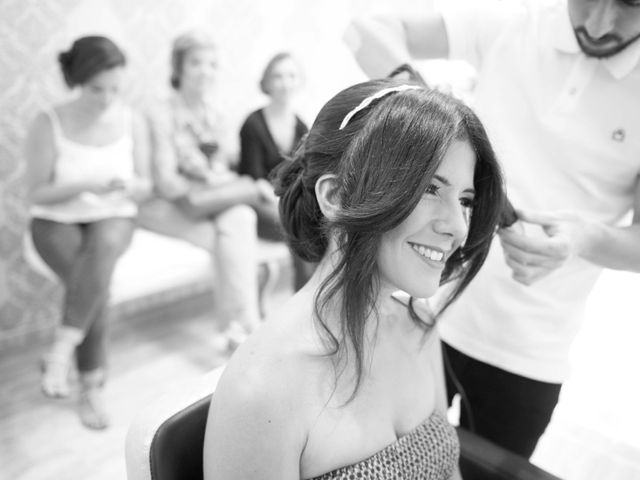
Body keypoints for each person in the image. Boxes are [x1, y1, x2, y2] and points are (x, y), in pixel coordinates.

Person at [346, 0, 640, 458]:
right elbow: (366, 29)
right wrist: (424, 102)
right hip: (425, 316)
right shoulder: (513, 27)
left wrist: (584, 237)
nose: (601, 26)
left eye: (631, 6)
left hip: (529, 356)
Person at [202, 78, 507, 480]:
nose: (457, 227)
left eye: (464, 200)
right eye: (430, 188)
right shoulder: (263, 389)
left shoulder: (418, 326)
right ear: (335, 197)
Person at [24, 35, 151, 430]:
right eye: (97, 89)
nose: (106, 98)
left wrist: (131, 187)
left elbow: (146, 183)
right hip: (54, 219)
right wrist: (88, 185)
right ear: (76, 80)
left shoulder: (133, 119)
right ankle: (89, 384)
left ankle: (65, 357)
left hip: (113, 216)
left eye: (115, 88)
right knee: (95, 282)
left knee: (104, 250)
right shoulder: (48, 121)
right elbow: (35, 192)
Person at [139, 31, 273, 350]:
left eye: (212, 64)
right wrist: (203, 174)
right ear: (178, 68)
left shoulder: (216, 111)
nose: (205, 71)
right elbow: (166, 182)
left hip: (205, 201)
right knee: (228, 236)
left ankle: (241, 329)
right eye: (196, 63)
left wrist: (211, 174)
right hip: (164, 203)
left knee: (240, 215)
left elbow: (224, 166)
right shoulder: (160, 112)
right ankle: (243, 330)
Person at [238, 52, 315, 290]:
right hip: (258, 204)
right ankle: (303, 301)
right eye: (278, 76)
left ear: (299, 81)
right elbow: (253, 178)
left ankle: (312, 297)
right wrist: (284, 205)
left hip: (288, 205)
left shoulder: (302, 126)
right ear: (267, 83)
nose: (285, 83)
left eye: (291, 76)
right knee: (298, 226)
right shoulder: (253, 124)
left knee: (316, 225)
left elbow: (307, 175)